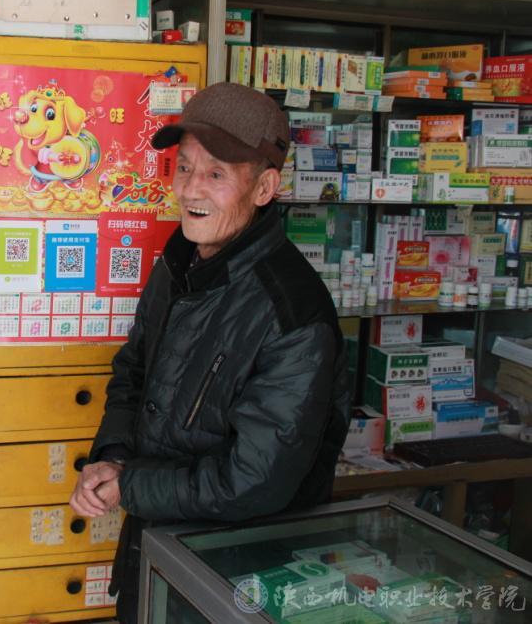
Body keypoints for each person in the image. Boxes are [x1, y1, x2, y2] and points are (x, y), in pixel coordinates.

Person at [69, 82, 351, 624]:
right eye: (184, 167)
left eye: (216, 174)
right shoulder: (179, 263)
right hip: (156, 547)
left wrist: (130, 485)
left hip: (239, 575)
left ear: (264, 187)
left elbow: (255, 480)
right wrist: (114, 457)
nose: (190, 188)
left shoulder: (292, 312)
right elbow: (133, 370)